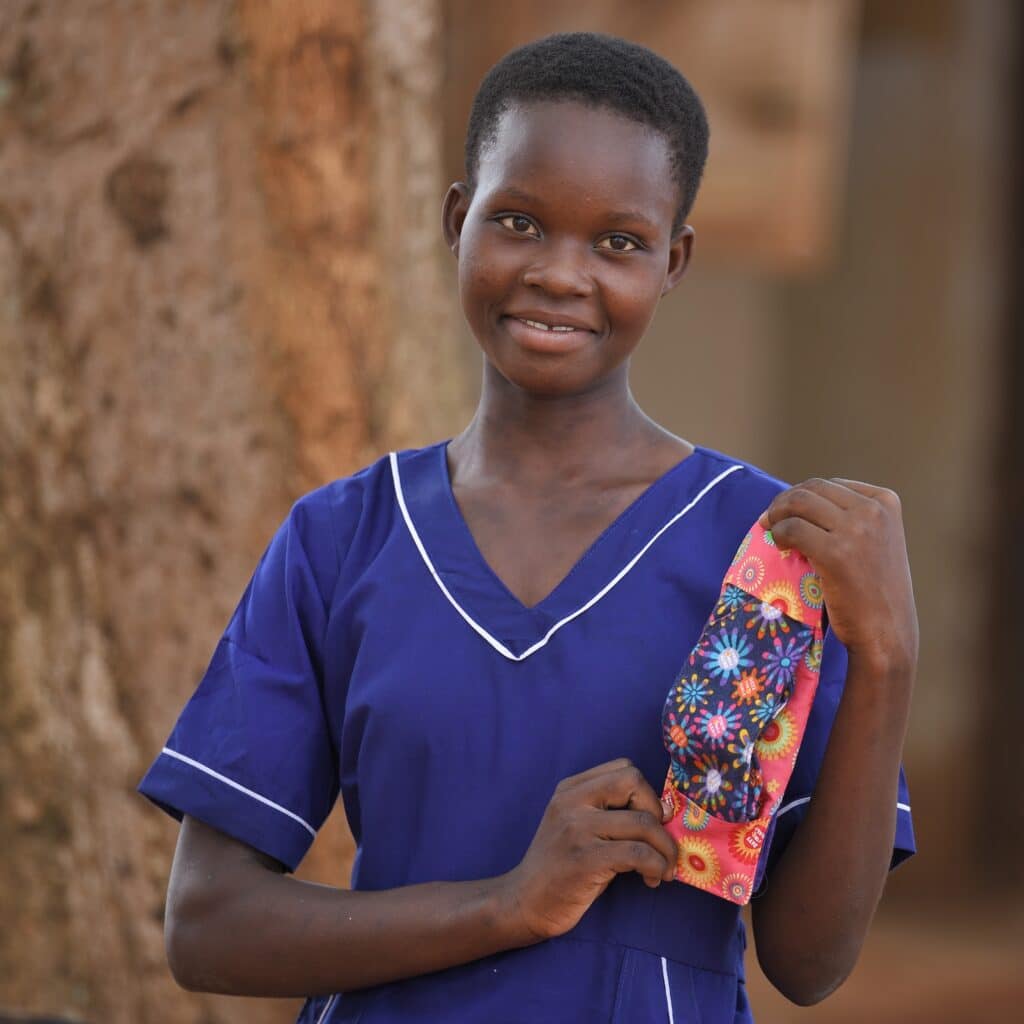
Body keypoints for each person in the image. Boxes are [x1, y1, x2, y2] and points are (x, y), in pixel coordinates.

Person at [138, 31, 918, 1023]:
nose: (559, 273)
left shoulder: (765, 552)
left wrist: (887, 659)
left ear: (673, 261)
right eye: (519, 221)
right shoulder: (343, 539)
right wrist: (506, 906)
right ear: (456, 219)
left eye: (617, 242)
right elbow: (207, 925)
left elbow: (808, 963)